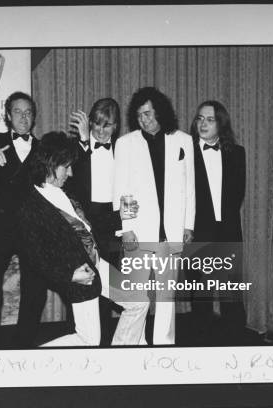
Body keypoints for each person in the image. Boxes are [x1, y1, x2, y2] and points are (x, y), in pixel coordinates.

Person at [17, 131, 149, 347]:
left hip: (97, 264)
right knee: (88, 341)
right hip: (80, 275)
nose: (70, 173)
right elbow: (36, 258)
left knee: (138, 302)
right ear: (50, 163)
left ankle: (121, 356)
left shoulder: (65, 191)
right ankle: (32, 361)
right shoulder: (30, 205)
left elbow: (90, 224)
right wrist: (69, 275)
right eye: (65, 166)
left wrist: (120, 216)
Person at [113, 87, 195, 345]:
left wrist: (188, 224)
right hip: (137, 232)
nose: (144, 120)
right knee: (136, 297)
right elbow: (123, 190)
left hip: (170, 231)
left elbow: (190, 186)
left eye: (148, 113)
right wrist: (126, 228)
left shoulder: (184, 140)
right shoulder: (125, 143)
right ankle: (134, 346)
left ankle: (164, 346)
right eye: (139, 116)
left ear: (160, 112)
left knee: (166, 295)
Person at [0, 91, 42, 348]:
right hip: (0, 228)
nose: (23, 117)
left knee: (35, 289)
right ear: (7, 116)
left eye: (28, 113)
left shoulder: (42, 148)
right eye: (18, 112)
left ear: (34, 117)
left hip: (32, 230)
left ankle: (24, 343)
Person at [65, 98, 132, 344]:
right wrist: (84, 143)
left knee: (109, 288)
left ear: (116, 127)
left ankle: (103, 346)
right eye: (97, 124)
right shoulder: (76, 147)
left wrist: (128, 217)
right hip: (83, 224)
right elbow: (70, 184)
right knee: (82, 285)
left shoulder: (122, 150)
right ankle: (79, 342)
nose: (101, 131)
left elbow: (127, 187)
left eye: (108, 126)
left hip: (111, 226)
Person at [187, 100, 246, 340]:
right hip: (198, 234)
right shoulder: (185, 152)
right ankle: (202, 347)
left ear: (220, 124)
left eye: (210, 120)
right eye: (200, 118)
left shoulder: (237, 152)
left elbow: (237, 194)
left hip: (229, 233)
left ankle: (237, 345)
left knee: (231, 293)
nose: (203, 124)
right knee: (200, 295)